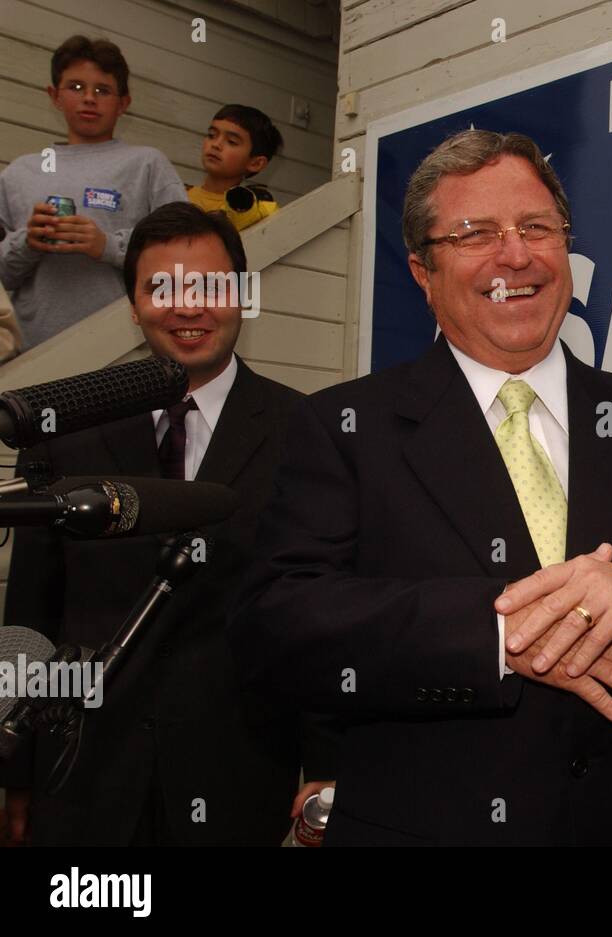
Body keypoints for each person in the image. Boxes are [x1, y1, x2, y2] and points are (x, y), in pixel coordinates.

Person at [229, 129, 612, 845]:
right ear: (423, 271)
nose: (515, 255)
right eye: (475, 233)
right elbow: (279, 625)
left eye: (536, 228)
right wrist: (501, 637)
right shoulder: (341, 427)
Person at [1, 203, 335, 845]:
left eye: (209, 285)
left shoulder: (308, 432)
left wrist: (324, 768)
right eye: (162, 287)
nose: (188, 307)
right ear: (133, 304)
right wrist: (16, 776)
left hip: (240, 778)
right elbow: (31, 614)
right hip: (83, 779)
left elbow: (321, 617)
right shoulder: (62, 428)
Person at [0, 35, 186, 350]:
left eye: (103, 90)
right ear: (54, 96)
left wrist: (107, 245)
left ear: (123, 103)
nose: (89, 98)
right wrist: (28, 243)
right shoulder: (18, 173)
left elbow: (183, 254)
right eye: (75, 87)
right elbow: (3, 278)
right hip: (31, 355)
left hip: (125, 349)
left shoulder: (147, 164)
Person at [187, 105, 283, 232]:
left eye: (231, 141)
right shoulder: (177, 193)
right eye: (211, 135)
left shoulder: (254, 214)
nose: (216, 144)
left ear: (256, 163)